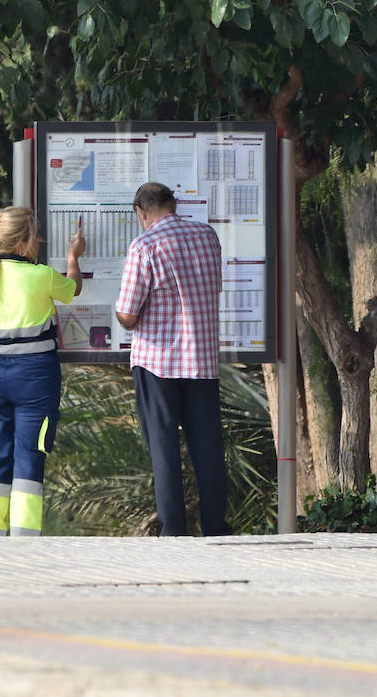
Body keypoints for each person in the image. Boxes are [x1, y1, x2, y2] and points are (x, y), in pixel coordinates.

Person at [0, 207, 85, 536]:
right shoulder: (41, 275)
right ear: (26, 240)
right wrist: (73, 258)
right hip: (35, 377)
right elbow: (73, 289)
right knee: (30, 452)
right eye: (37, 234)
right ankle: (24, 538)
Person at [115, 182, 231, 536]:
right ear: (173, 204)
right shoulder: (207, 236)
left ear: (142, 212)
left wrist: (122, 315)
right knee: (208, 445)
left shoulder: (145, 245)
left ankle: (174, 530)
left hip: (157, 363)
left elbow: (129, 314)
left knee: (164, 447)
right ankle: (215, 526)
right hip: (201, 360)